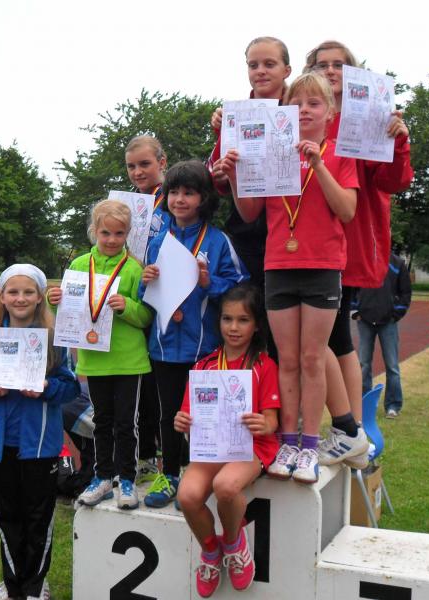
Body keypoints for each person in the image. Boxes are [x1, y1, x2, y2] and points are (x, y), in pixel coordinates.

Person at [219, 72, 358, 484]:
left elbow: (347, 210)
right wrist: (234, 175)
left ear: (330, 113)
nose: (305, 111)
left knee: (313, 358)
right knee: (289, 359)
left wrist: (318, 164)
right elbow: (249, 213)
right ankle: (288, 441)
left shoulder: (338, 154)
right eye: (296, 105)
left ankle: (310, 445)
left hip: (322, 266)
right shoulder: (272, 153)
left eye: (314, 104)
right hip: (278, 265)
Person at [302, 40, 413, 470]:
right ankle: (350, 430)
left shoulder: (368, 120)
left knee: (334, 339)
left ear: (354, 73)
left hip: (346, 241)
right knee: (330, 339)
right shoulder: (305, 113)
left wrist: (398, 142)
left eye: (339, 65)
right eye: (322, 65)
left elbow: (392, 181)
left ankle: (352, 428)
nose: (331, 71)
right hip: (307, 242)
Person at [0, 264, 80, 600]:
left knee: (38, 517)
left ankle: (35, 586)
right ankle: (13, 585)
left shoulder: (55, 341)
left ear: (40, 297)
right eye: (13, 292)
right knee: (7, 516)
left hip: (40, 445)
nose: (20, 298)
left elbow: (71, 388)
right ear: (1, 296)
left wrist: (46, 387)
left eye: (28, 292)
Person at [140, 160, 248, 508]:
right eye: (173, 192)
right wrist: (145, 282)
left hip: (204, 348)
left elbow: (240, 287)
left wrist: (208, 282)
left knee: (203, 415)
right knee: (169, 414)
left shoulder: (217, 241)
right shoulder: (155, 242)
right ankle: (170, 473)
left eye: (189, 193)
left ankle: (198, 474)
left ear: (204, 198)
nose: (179, 199)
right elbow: (142, 294)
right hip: (163, 346)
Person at [175, 285, 280, 597]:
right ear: (218, 321)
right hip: (211, 449)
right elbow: (188, 415)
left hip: (251, 447)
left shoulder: (263, 365)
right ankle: (211, 550)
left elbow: (272, 420)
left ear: (257, 325)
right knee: (187, 495)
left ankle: (234, 544)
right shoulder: (204, 367)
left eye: (243, 320)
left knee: (226, 486)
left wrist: (263, 423)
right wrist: (182, 421)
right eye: (227, 319)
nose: (233, 327)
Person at [48, 200, 153, 510]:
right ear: (94, 231)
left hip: (129, 360)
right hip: (94, 359)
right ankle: (103, 477)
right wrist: (55, 300)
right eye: (106, 232)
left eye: (119, 233)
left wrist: (127, 307)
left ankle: (127, 479)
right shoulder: (80, 265)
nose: (111, 239)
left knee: (126, 423)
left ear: (128, 234)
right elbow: (70, 311)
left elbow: (146, 316)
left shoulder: (134, 268)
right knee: (102, 422)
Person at [207, 36, 292, 291]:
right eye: (253, 65)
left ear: (287, 70)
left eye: (269, 64)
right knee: (248, 305)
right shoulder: (234, 115)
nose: (260, 71)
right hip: (247, 232)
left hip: (292, 227)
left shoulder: (303, 110)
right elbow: (217, 176)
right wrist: (222, 174)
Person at [125, 135, 169, 485]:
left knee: (163, 378)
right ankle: (144, 455)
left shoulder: (173, 197)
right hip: (135, 294)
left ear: (162, 163)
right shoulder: (127, 204)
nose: (138, 172)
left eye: (145, 164)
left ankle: (169, 455)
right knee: (141, 377)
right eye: (131, 166)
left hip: (166, 293)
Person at [352, 252, 412, 417]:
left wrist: (396, 313)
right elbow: (352, 286)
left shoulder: (397, 263)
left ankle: (393, 405)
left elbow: (406, 292)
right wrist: (355, 310)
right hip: (365, 320)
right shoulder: (362, 259)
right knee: (364, 364)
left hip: (388, 322)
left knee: (392, 366)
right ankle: (364, 403)